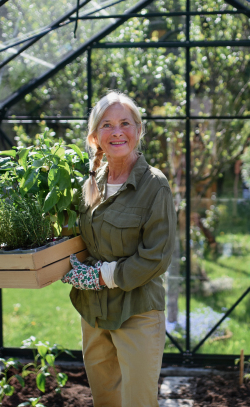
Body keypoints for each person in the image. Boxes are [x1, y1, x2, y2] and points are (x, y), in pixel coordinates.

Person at [61, 91, 176, 406]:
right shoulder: (89, 184)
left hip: (136, 311)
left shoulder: (155, 186)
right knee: (105, 400)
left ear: (138, 130)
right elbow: (77, 238)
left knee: (138, 402)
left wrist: (102, 276)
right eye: (107, 125)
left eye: (125, 123)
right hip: (93, 313)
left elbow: (156, 257)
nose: (116, 132)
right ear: (95, 135)